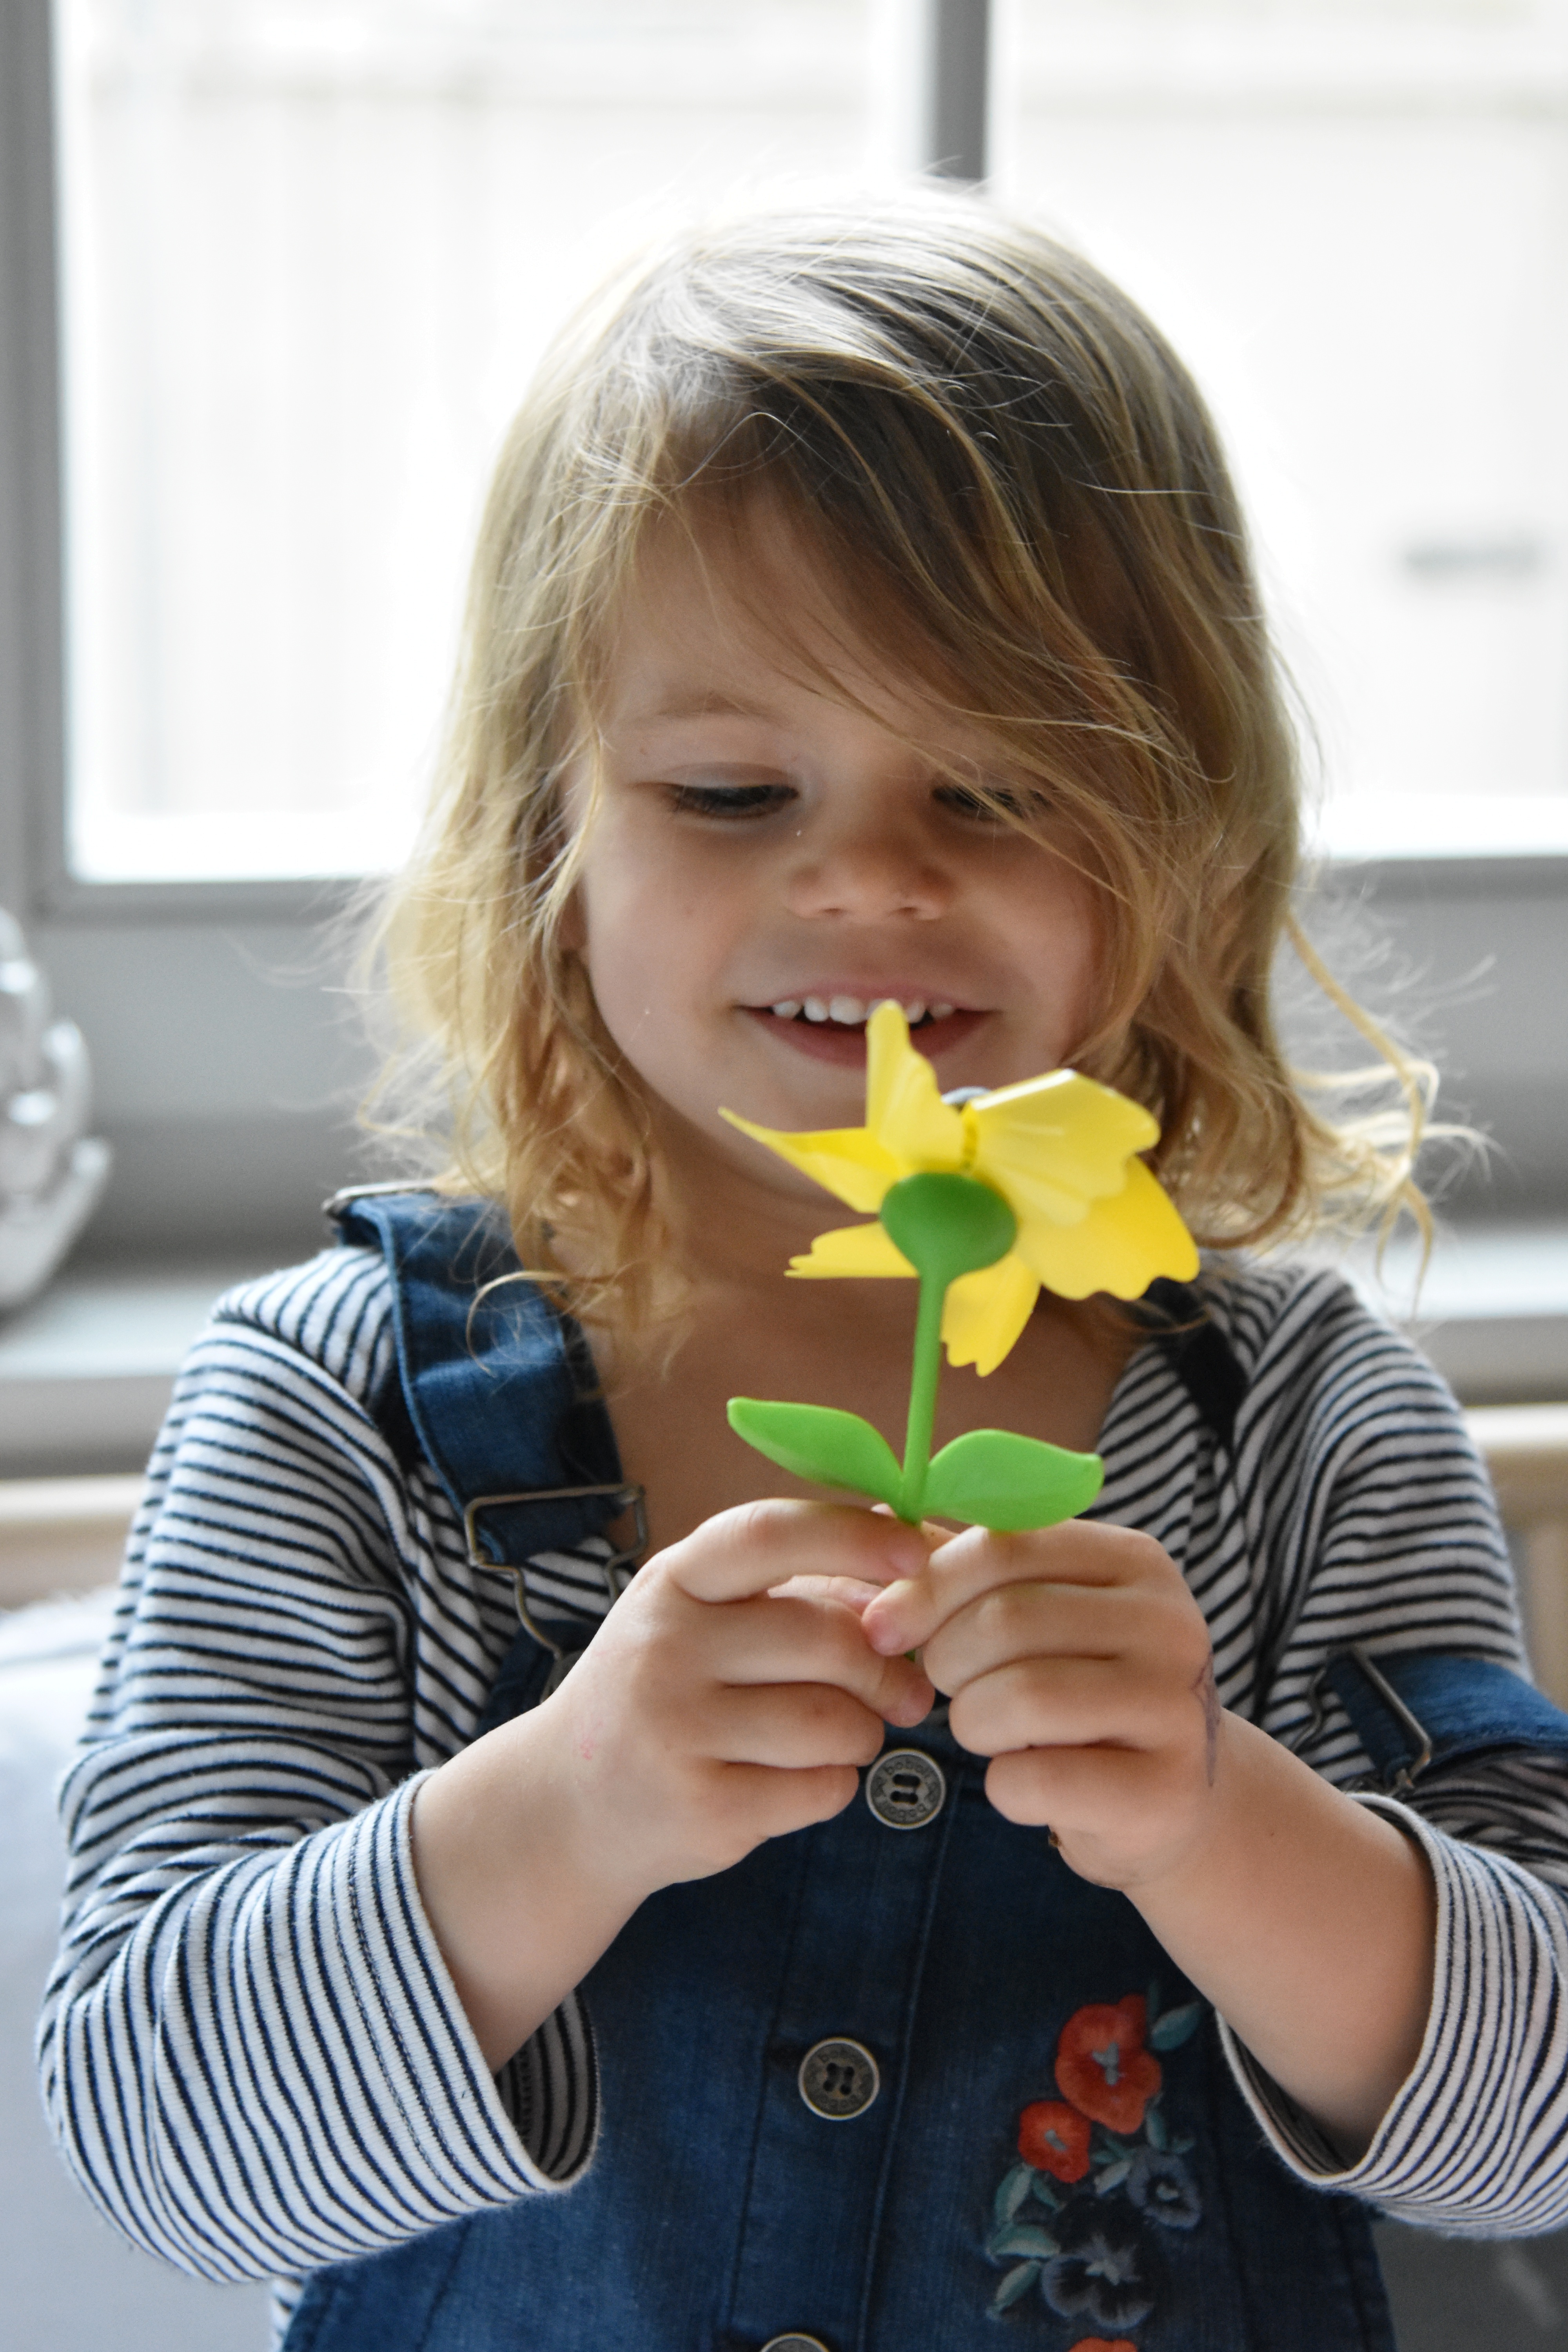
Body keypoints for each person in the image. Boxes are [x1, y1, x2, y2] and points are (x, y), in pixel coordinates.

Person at [39, 194, 1568, 2352]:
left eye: (1001, 782)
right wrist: (562, 1811)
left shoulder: (1304, 1428)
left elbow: (1540, 2134)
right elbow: (155, 2149)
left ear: (1185, 835)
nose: (865, 870)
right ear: (553, 840)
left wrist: (1229, 1826)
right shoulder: (339, 1415)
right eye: (735, 786)